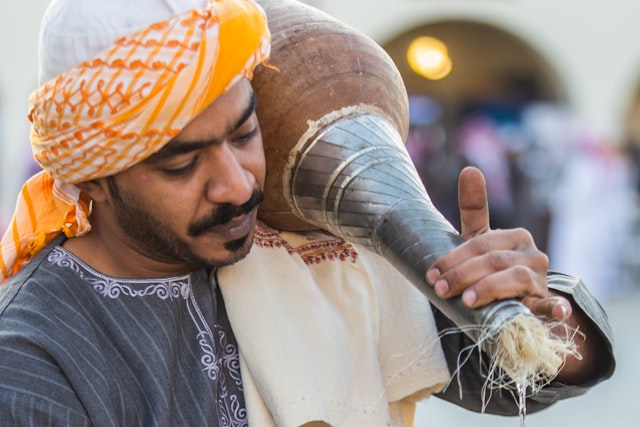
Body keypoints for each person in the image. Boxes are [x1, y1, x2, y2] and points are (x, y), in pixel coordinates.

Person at [0, 0, 614, 426]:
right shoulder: (33, 352)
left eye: (244, 136)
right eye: (182, 166)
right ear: (92, 179)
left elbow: (522, 371)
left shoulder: (308, 243)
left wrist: (530, 308)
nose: (238, 185)